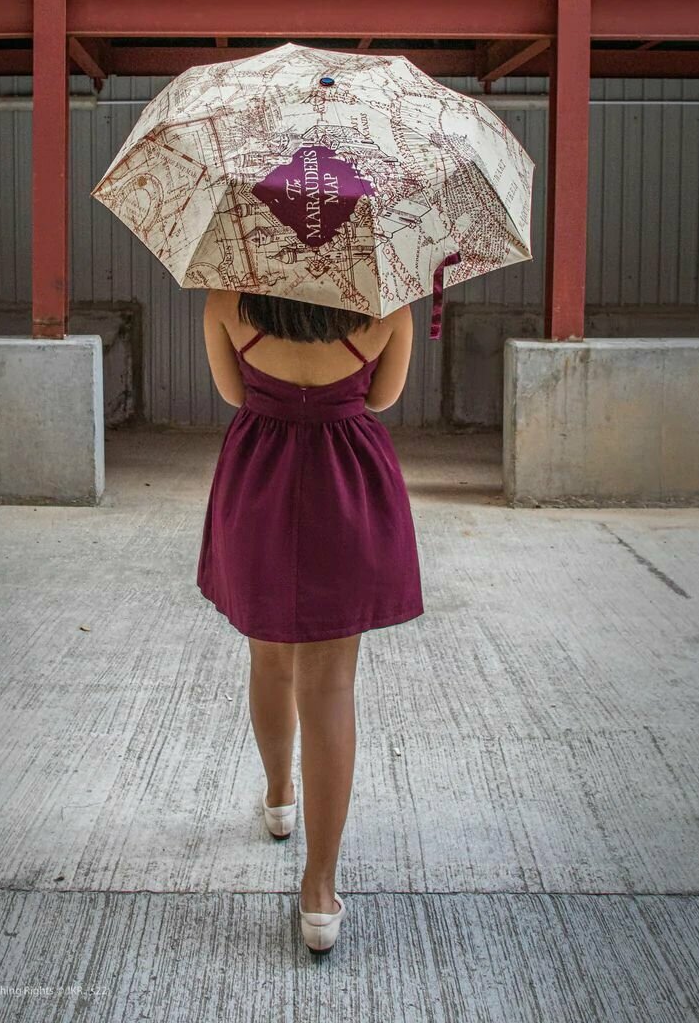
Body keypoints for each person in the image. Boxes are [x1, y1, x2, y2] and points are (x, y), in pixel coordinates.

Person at [197, 287, 423, 953]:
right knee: (330, 685)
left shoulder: (226, 300)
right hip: (347, 481)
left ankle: (278, 798)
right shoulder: (388, 306)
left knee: (268, 658)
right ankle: (319, 892)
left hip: (259, 477)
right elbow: (381, 399)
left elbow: (234, 394)